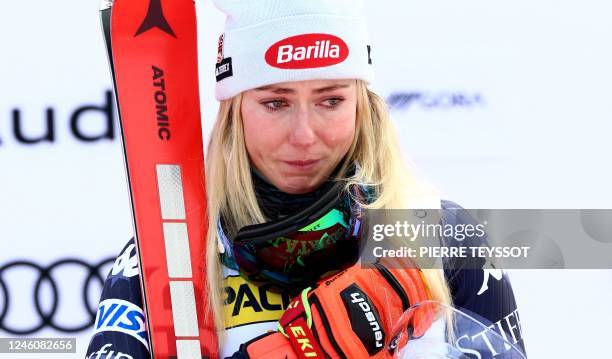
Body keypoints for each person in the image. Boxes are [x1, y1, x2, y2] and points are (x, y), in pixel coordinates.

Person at [87, 0, 525, 358]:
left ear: (363, 106)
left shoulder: (443, 238)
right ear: (235, 113)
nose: (304, 135)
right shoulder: (172, 251)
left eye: (331, 100)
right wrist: (290, 350)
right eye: (276, 103)